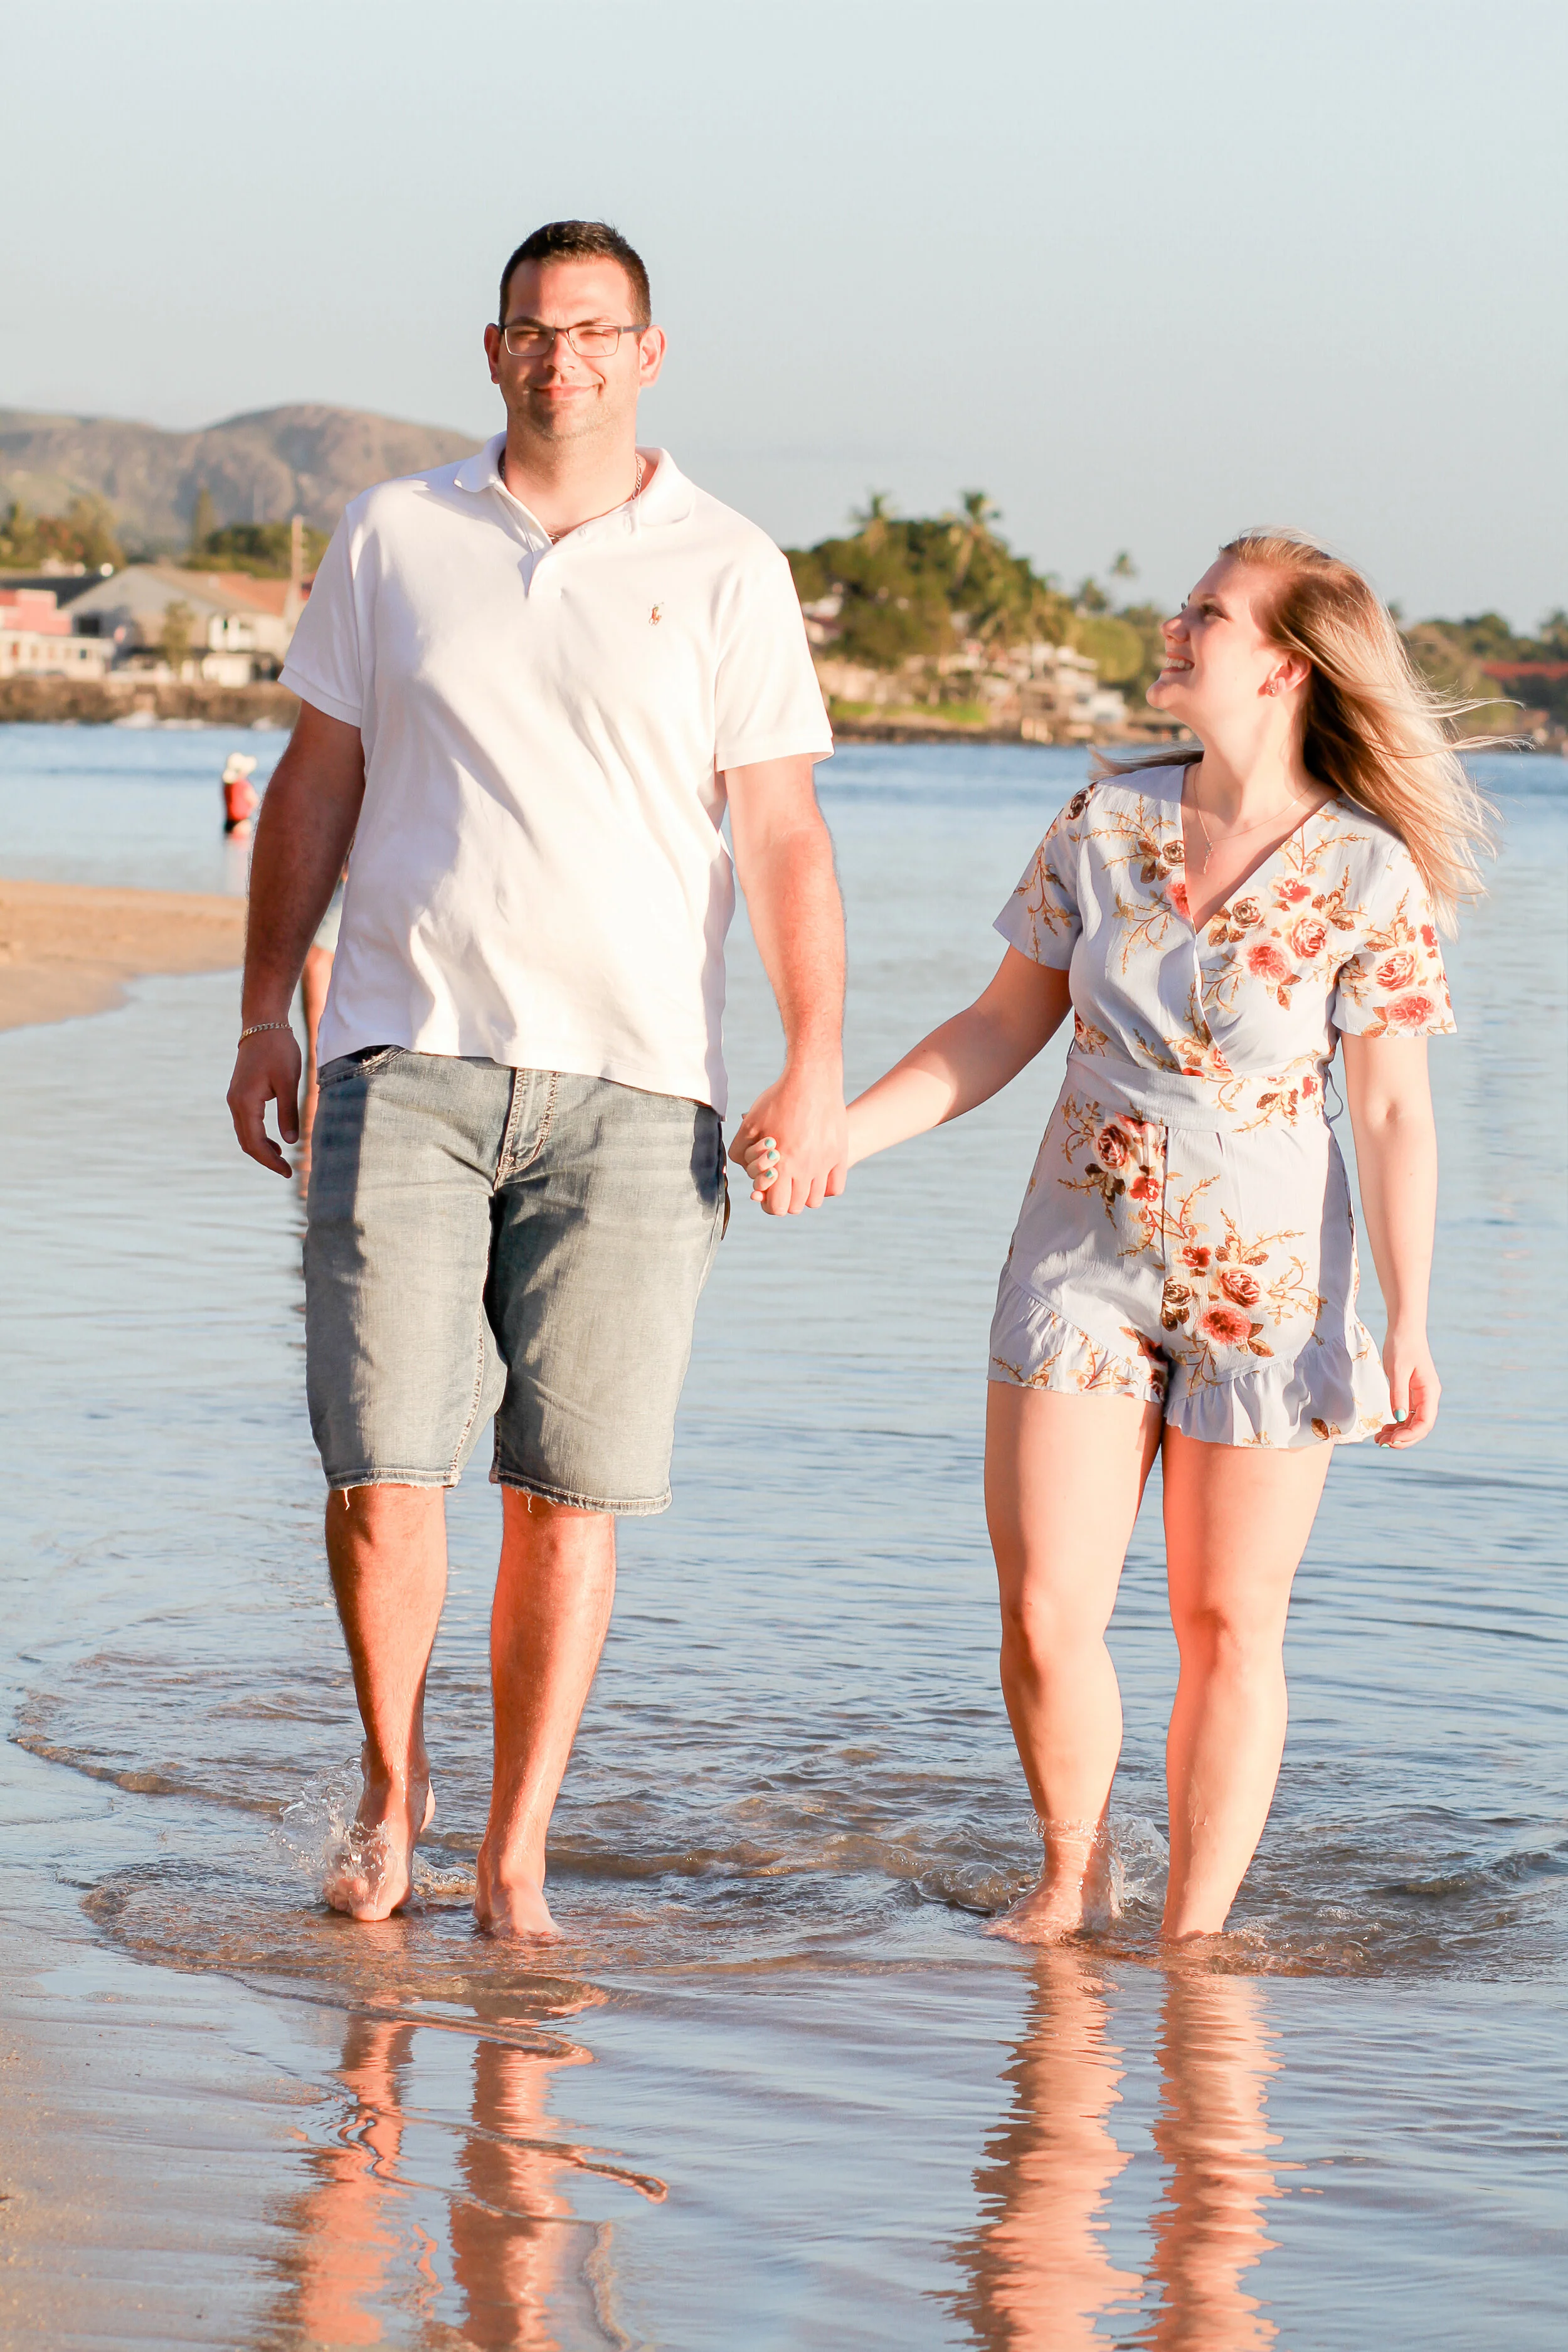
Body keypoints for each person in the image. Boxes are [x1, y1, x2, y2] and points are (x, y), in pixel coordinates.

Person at [227, 219, 845, 1937]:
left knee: (569, 1498)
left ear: (650, 352)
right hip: (402, 1060)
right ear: (489, 348)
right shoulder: (392, 533)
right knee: (376, 1475)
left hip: (641, 1093)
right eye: (530, 327)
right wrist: (264, 1007)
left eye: (593, 328)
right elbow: (317, 779)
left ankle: (512, 1855)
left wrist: (813, 1058)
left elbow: (783, 832)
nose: (559, 355)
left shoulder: (725, 563)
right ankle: (390, 1786)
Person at [739, 532, 1490, 1943]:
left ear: (1284, 663)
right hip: (1076, 1262)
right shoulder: (1101, 822)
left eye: (1205, 612)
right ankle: (1068, 1875)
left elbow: (1391, 1116)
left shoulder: (1367, 875)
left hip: (1267, 1288)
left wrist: (1406, 1320)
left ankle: (1192, 1934)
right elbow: (995, 1027)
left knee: (1225, 1627)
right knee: (1041, 1607)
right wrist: (837, 1128)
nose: (1171, 624)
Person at [221, 751, 259, 837]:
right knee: (242, 848)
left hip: (228, 822)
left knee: (230, 848)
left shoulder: (227, 785)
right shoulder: (243, 785)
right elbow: (254, 802)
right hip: (241, 823)